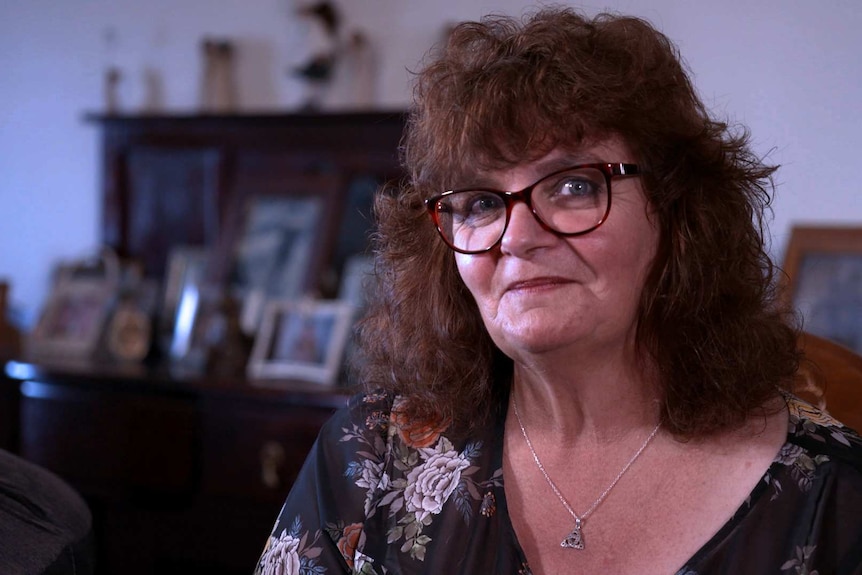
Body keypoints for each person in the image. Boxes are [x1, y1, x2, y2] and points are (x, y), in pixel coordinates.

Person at [255, 8, 862, 574]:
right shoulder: (368, 458)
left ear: (678, 214)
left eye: (573, 186)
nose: (516, 237)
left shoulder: (837, 498)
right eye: (481, 203)